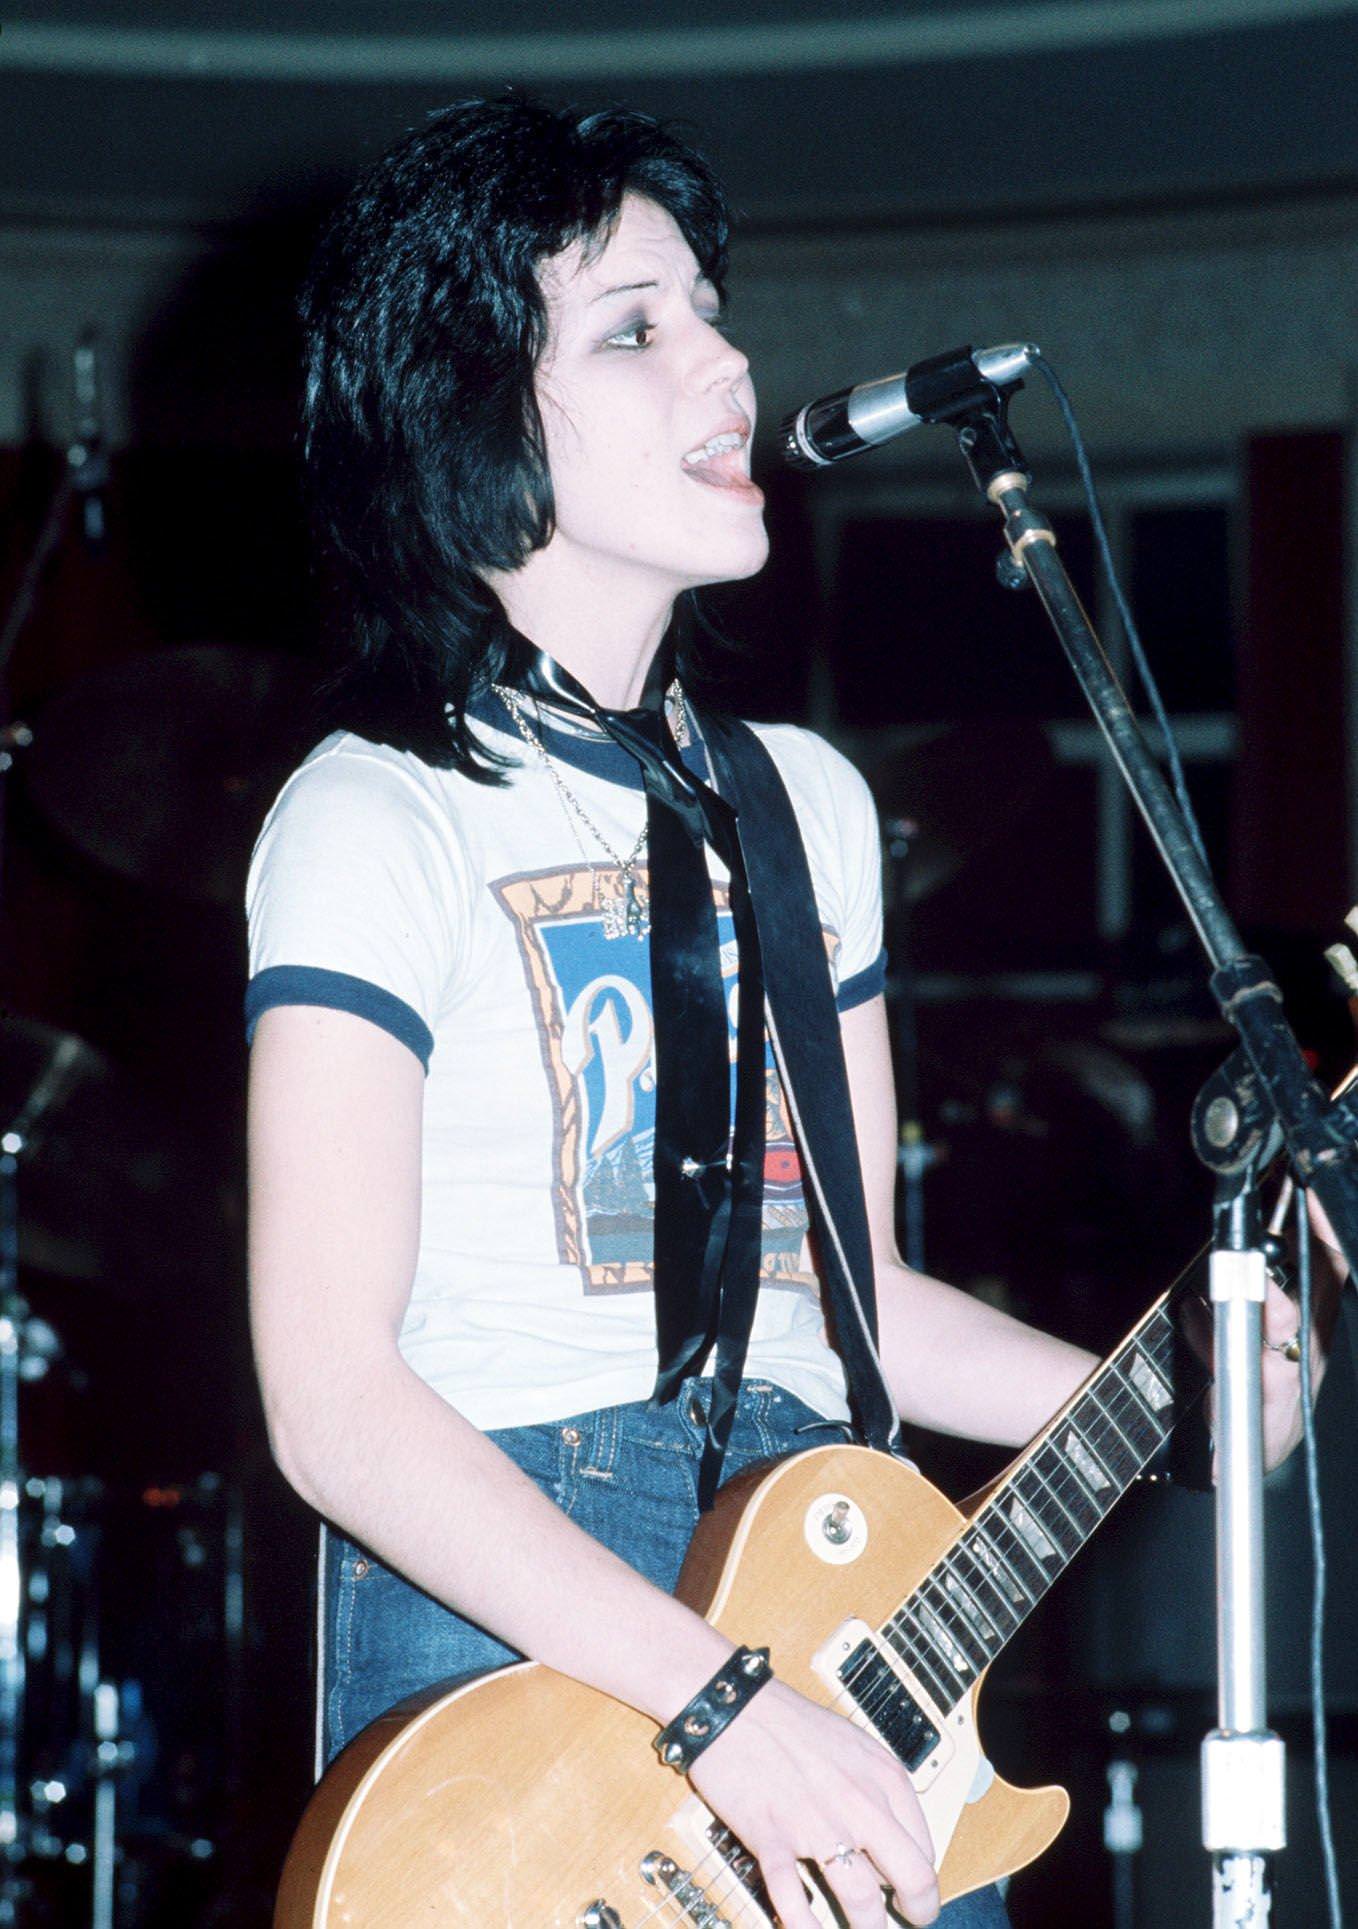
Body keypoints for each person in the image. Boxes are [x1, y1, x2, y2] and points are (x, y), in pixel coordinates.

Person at [245, 95, 1326, 1929]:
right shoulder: (374, 811)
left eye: (712, 310)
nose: (729, 362)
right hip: (527, 1602)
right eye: (636, 326)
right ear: (471, 414)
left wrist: (1164, 1390)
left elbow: (859, 1300)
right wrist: (717, 1703)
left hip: (830, 1571)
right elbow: (334, 1397)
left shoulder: (802, 805)